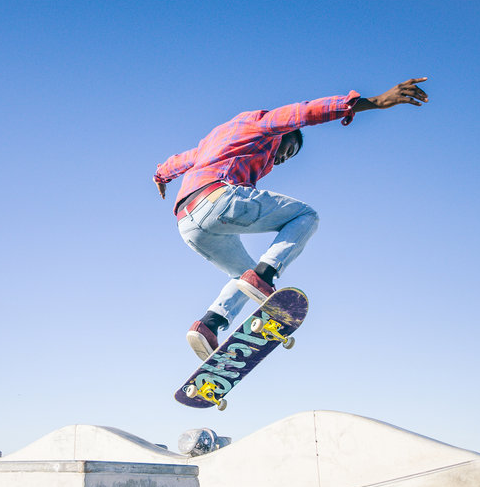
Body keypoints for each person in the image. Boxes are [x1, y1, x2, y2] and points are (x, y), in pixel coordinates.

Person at [154, 77, 428, 360]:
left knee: (240, 276)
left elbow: (183, 160)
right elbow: (303, 112)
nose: (284, 159)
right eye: (289, 150)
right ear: (283, 135)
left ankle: (208, 325)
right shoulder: (263, 123)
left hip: (187, 222)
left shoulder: (213, 141)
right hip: (218, 199)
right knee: (306, 216)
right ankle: (265, 275)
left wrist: (160, 176)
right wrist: (377, 102)